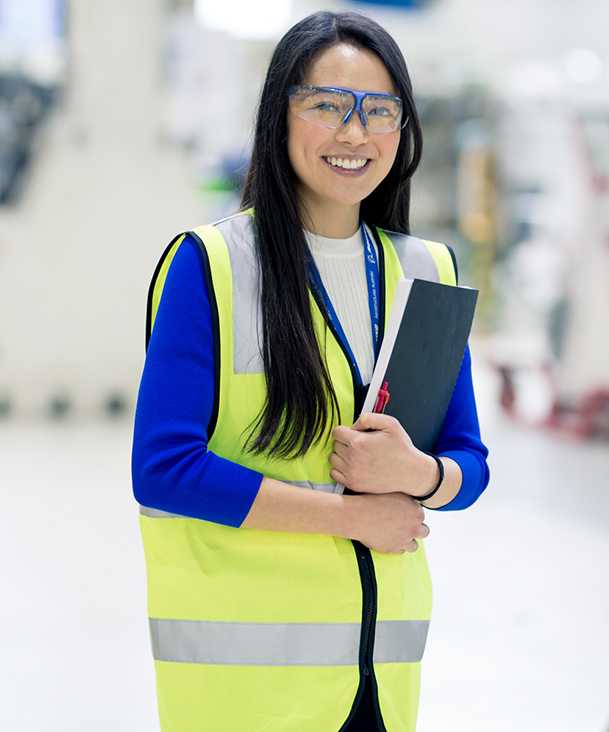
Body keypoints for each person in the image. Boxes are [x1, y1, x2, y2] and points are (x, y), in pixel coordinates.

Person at [131, 10, 490, 732]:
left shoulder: (427, 271)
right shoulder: (213, 267)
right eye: (327, 105)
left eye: (379, 111)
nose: (354, 133)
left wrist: (417, 476)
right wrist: (353, 515)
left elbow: (469, 463)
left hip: (377, 683)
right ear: (279, 115)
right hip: (246, 691)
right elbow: (163, 469)